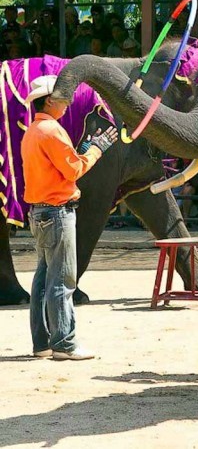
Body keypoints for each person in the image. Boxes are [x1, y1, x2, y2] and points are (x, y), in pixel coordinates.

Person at [21, 75, 118, 360]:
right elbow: (74, 170)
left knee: (43, 279)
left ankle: (42, 342)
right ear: (50, 100)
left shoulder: (34, 130)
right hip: (57, 211)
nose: (68, 102)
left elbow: (62, 166)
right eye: (64, 98)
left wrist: (85, 151)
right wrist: (97, 150)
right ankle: (64, 342)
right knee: (62, 279)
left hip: (39, 211)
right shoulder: (53, 131)